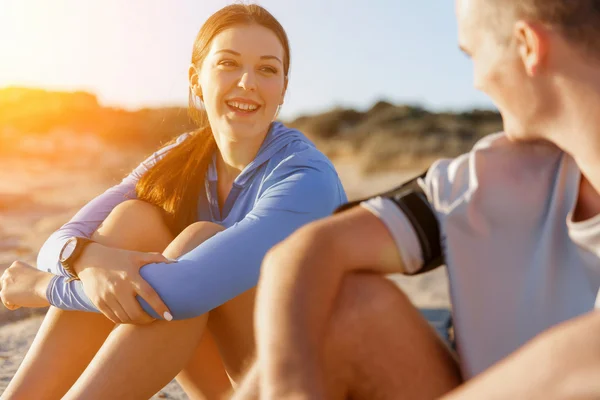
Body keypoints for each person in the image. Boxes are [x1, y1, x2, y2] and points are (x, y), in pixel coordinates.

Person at [233, 0, 600, 399]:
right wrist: (290, 387)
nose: (476, 80)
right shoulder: (494, 175)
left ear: (528, 45)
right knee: (348, 305)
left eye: (472, 54)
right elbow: (310, 251)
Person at [0, 4, 346, 399]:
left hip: (309, 384)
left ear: (283, 88)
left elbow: (184, 291)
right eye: (229, 64)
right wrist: (89, 262)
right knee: (133, 221)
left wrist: (44, 287)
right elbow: (60, 242)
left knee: (198, 240)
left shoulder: (305, 178)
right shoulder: (183, 156)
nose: (248, 82)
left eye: (267, 69)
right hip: (234, 384)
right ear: (196, 80)